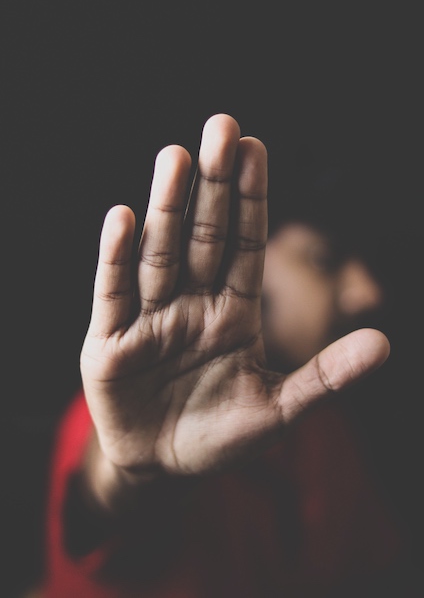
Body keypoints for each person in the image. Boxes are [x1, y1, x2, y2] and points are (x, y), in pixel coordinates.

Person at [40, 114, 412, 597]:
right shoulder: (131, 405)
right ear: (244, 251)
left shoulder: (325, 427)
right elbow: (104, 514)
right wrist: (134, 474)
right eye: (325, 259)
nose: (367, 293)